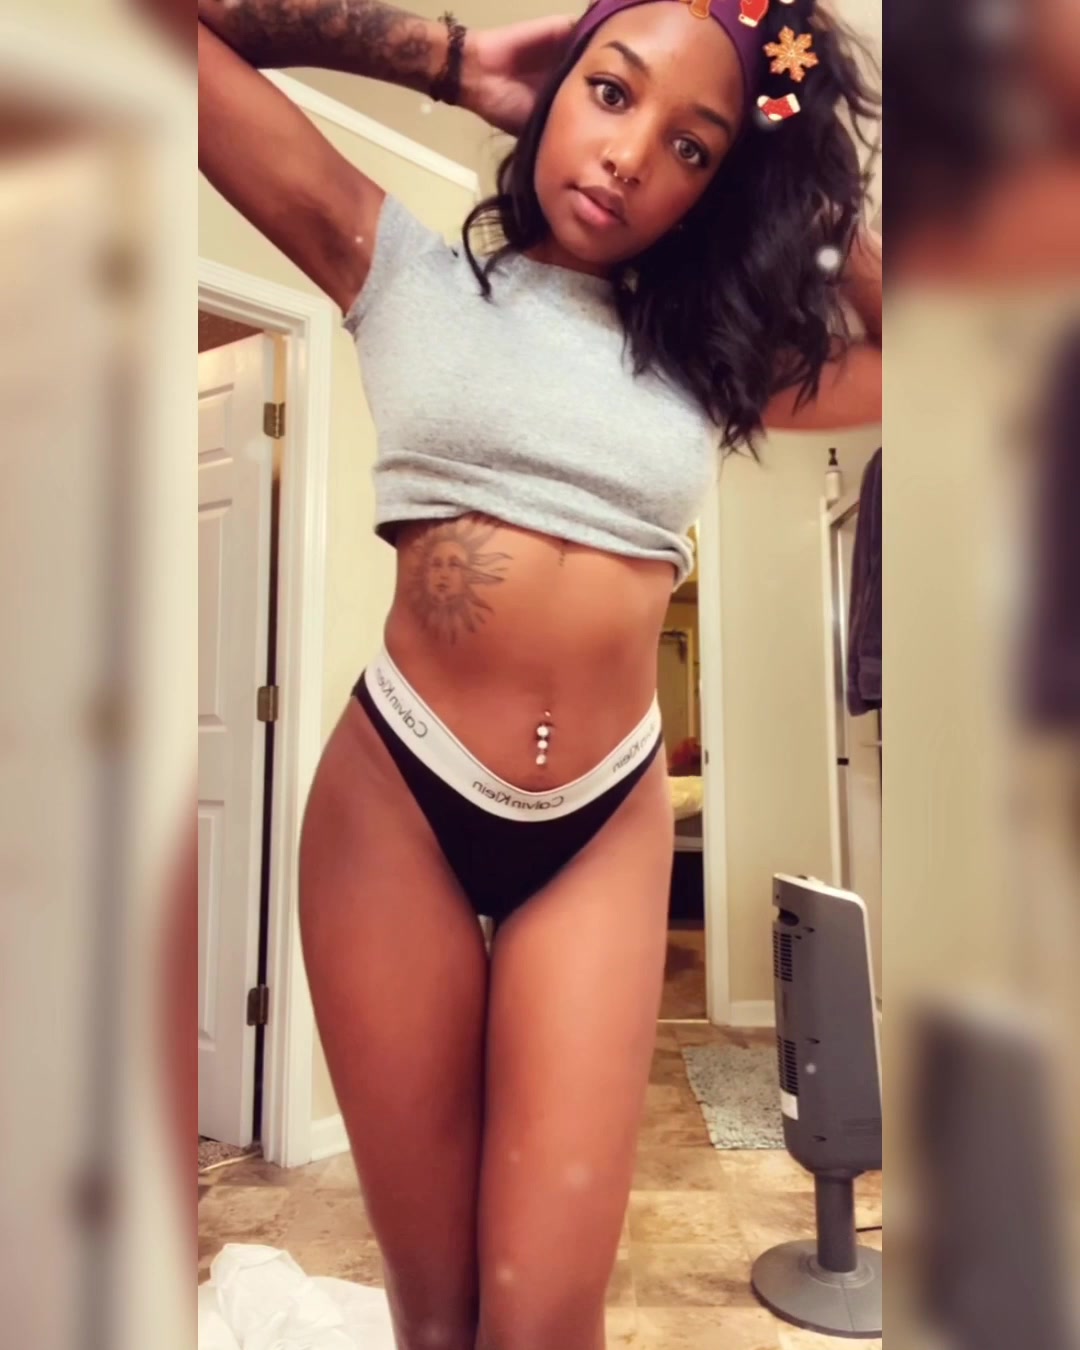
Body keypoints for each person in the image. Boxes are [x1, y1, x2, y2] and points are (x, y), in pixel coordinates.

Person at [197, 1, 881, 1346]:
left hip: (603, 829)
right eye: (613, 93)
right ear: (559, 82)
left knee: (543, 1319)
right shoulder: (393, 263)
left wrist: (799, 167)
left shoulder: (717, 361)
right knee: (439, 1316)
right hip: (396, 800)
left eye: (692, 147)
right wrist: (446, 61)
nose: (632, 156)